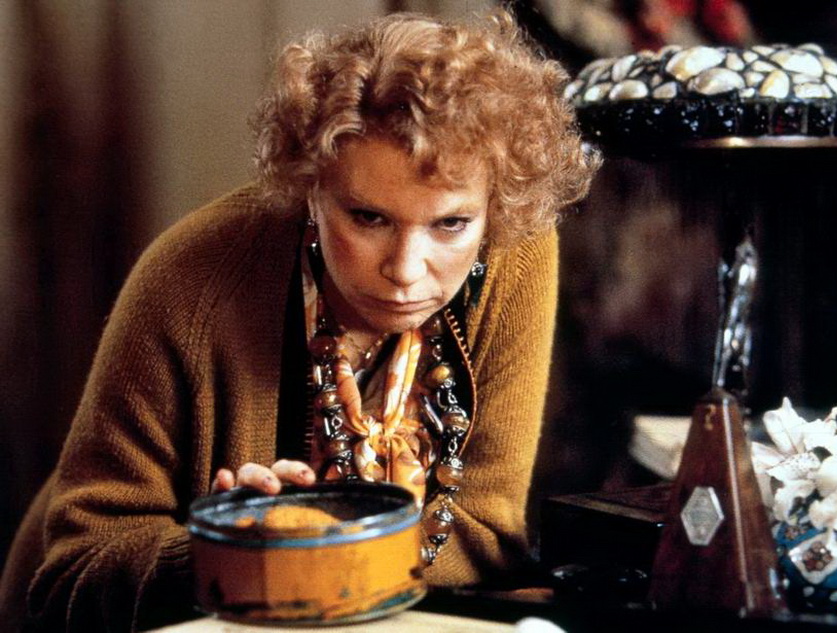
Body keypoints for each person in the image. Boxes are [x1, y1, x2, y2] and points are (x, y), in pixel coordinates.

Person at [0, 9, 596, 632]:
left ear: (496, 208)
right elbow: (73, 571)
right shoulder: (188, 279)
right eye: (368, 218)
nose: (405, 270)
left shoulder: (514, 245)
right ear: (311, 186)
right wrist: (229, 551)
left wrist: (310, 559)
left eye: (451, 224)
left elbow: (484, 533)